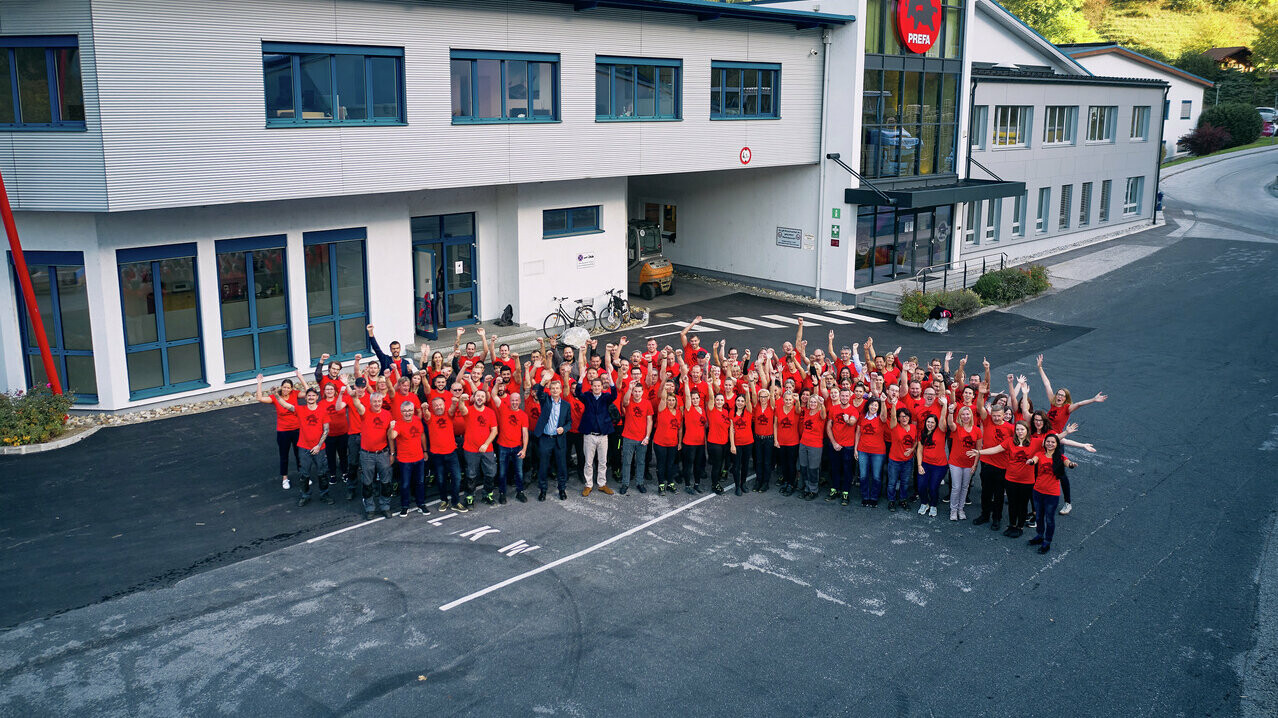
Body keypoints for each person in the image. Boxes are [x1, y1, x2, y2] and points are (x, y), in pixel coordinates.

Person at [1036, 354, 1105, 515]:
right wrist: (1039, 368)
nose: (1059, 396)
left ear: (1066, 398)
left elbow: (1079, 404)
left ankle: (1067, 503)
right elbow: (1047, 384)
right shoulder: (1053, 403)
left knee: (1060, 473)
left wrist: (1094, 400)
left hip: (1057, 442)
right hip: (1044, 439)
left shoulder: (1067, 408)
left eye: (1062, 395)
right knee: (1040, 467)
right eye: (1058, 394)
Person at [575, 347, 618, 496]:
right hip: (589, 435)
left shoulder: (606, 398)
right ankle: (588, 484)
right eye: (594, 386)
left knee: (603, 461)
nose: (597, 388)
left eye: (599, 386)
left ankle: (602, 484)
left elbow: (614, 393)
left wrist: (610, 377)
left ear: (601, 387)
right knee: (588, 462)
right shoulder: (587, 396)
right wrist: (581, 376)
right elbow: (577, 392)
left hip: (603, 435)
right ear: (592, 386)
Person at [1026, 434, 1078, 554]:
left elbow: (1067, 462)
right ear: (1044, 443)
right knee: (1039, 517)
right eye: (1048, 442)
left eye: (1053, 442)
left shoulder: (1059, 457)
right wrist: (1031, 461)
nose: (1050, 444)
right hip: (1038, 491)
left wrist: (1071, 465)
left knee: (1049, 519)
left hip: (1052, 494)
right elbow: (1034, 460)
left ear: (1056, 444)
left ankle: (1047, 542)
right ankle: (1039, 536)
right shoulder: (1039, 454)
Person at [350, 391, 395, 520]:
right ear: (370, 402)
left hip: (383, 454)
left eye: (379, 401)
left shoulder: (387, 414)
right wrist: (354, 397)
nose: (377, 403)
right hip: (367, 455)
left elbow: (390, 436)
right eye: (374, 401)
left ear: (382, 402)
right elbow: (358, 405)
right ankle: (370, 508)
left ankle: (385, 506)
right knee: (367, 483)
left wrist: (392, 453)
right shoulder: (365, 412)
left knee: (386, 482)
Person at [973, 400, 1012, 530]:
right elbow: (979, 407)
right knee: (986, 492)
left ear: (1003, 415)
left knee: (999, 494)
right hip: (986, 463)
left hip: (1002, 466)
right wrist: (980, 394)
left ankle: (997, 518)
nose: (996, 418)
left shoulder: (1011, 428)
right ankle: (984, 515)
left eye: (998, 416)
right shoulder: (987, 420)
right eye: (994, 415)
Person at [532, 375, 573, 500]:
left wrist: (564, 429)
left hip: (559, 439)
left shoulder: (566, 405)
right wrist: (543, 381)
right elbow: (539, 391)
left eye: (557, 388)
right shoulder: (545, 401)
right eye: (553, 388)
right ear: (550, 390)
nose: (555, 390)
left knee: (561, 466)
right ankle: (543, 490)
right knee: (543, 466)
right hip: (546, 439)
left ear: (561, 390)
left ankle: (562, 489)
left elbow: (569, 422)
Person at [255, 375, 300, 489]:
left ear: (291, 388)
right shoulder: (275, 397)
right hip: (283, 431)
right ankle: (285, 478)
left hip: (297, 429)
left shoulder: (295, 394)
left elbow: (310, 393)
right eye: (284, 387)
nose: (286, 390)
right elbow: (260, 398)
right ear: (281, 387)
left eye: (288, 388)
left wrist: (301, 377)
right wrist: (259, 383)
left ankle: (303, 475)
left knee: (299, 454)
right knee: (284, 455)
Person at [457, 389, 498, 507]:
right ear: (474, 398)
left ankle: (488, 495)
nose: (480, 398)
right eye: (478, 396)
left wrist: (485, 444)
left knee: (490, 473)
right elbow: (462, 409)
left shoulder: (490, 412)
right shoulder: (468, 410)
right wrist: (461, 400)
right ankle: (469, 497)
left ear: (485, 399)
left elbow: (494, 431)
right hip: (470, 449)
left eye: (482, 396)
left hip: (487, 449)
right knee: (471, 474)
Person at [426, 396, 467, 512]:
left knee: (457, 478)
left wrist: (454, 402)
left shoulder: (449, 414)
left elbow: (453, 408)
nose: (438, 407)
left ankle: (455, 501)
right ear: (432, 408)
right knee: (440, 479)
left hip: (451, 453)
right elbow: (426, 413)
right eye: (436, 406)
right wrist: (425, 408)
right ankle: (444, 500)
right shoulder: (430, 417)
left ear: (444, 405)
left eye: (440, 405)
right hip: (437, 454)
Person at [389, 401, 429, 516]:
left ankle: (421, 504)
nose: (407, 413)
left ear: (413, 411)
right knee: (405, 484)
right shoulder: (398, 423)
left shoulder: (417, 420)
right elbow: (392, 436)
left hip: (419, 457)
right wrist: (391, 428)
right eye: (405, 411)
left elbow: (422, 435)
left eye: (410, 410)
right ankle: (404, 506)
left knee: (420, 482)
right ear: (401, 412)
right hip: (405, 460)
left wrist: (425, 451)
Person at [493, 389, 529, 504]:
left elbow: (525, 433)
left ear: (520, 401)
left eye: (516, 400)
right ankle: (502, 493)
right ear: (509, 401)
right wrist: (497, 383)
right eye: (512, 400)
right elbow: (494, 394)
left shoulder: (523, 415)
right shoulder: (503, 408)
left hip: (517, 447)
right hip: (503, 447)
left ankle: (520, 492)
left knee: (519, 472)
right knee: (502, 472)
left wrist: (524, 449)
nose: (514, 402)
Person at [946, 404, 981, 521]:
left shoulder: (977, 430)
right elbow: (950, 424)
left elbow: (978, 449)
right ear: (960, 416)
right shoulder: (957, 427)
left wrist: (975, 465)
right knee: (956, 487)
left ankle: (961, 509)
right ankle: (953, 510)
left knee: (965, 487)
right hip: (955, 462)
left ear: (971, 415)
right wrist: (951, 412)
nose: (966, 416)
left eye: (968, 414)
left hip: (969, 464)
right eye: (963, 414)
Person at [619, 381, 654, 494]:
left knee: (640, 462)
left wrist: (647, 437)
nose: (637, 393)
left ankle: (640, 483)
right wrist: (629, 388)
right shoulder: (629, 401)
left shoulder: (647, 403)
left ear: (643, 392)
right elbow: (624, 402)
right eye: (635, 391)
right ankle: (625, 483)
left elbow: (650, 421)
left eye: (639, 391)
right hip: (628, 437)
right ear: (633, 392)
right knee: (627, 462)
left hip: (641, 438)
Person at [680, 363, 709, 494]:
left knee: (698, 465)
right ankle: (687, 485)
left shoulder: (702, 409)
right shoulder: (688, 408)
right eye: (693, 398)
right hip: (689, 443)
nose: (695, 400)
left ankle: (697, 484)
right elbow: (686, 395)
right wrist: (686, 384)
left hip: (700, 443)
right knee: (688, 465)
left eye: (697, 398)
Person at [827, 388, 859, 506]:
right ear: (839, 396)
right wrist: (834, 442)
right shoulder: (833, 409)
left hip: (848, 446)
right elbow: (828, 427)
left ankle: (845, 492)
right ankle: (834, 489)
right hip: (835, 444)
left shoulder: (854, 410)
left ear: (850, 396)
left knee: (847, 470)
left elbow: (852, 422)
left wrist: (847, 420)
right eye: (843, 396)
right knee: (834, 468)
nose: (844, 398)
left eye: (846, 396)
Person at [855, 397, 888, 508]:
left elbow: (884, 415)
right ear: (868, 405)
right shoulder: (862, 417)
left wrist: (883, 402)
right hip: (863, 450)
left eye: (876, 405)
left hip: (878, 451)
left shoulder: (880, 418)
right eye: (872, 404)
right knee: (863, 475)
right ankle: (865, 496)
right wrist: (856, 448)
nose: (873, 407)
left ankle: (874, 497)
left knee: (876, 476)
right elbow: (858, 433)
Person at [652, 381, 682, 496]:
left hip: (673, 443)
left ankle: (670, 483)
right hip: (660, 443)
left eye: (673, 400)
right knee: (661, 464)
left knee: (670, 464)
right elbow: (663, 398)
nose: (670, 402)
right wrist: (665, 386)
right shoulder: (662, 409)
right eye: (669, 400)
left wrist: (679, 442)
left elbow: (680, 429)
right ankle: (661, 484)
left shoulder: (678, 413)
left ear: (676, 402)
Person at [916, 413, 947, 518]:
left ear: (936, 424)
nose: (930, 424)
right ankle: (924, 503)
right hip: (925, 464)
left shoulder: (941, 431)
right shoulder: (922, 433)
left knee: (933, 487)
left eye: (932, 422)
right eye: (928, 422)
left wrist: (945, 405)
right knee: (921, 486)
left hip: (939, 466)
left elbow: (943, 418)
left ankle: (933, 505)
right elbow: (919, 450)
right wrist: (919, 465)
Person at [886, 407, 917, 512]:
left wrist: (912, 449)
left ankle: (903, 500)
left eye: (906, 416)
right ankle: (891, 500)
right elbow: (893, 417)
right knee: (892, 482)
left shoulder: (913, 427)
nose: (904, 418)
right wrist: (894, 405)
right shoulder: (895, 427)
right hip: (895, 460)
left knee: (905, 482)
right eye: (902, 416)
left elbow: (917, 440)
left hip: (908, 460)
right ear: (898, 418)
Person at [797, 393, 826, 501]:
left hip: (815, 445)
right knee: (803, 467)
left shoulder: (820, 413)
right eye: (811, 401)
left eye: (815, 402)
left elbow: (824, 415)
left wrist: (822, 405)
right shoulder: (807, 412)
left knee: (813, 469)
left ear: (818, 403)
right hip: (804, 443)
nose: (813, 403)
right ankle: (807, 488)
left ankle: (813, 490)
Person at [774, 389, 801, 496]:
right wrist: (776, 440)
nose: (788, 401)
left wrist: (797, 400)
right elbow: (775, 425)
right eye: (786, 399)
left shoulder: (795, 409)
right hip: (781, 441)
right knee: (783, 464)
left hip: (793, 442)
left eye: (790, 400)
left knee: (791, 464)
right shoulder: (779, 409)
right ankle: (785, 481)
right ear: (783, 399)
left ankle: (791, 484)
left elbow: (799, 410)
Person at [728, 391, 755, 496]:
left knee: (745, 465)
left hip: (748, 443)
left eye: (742, 401)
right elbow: (731, 430)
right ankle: (737, 486)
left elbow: (749, 400)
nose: (740, 403)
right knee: (736, 466)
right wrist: (732, 445)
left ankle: (743, 483)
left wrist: (747, 390)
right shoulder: (732, 413)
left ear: (745, 403)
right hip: (737, 444)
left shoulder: (748, 411)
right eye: (738, 400)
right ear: (735, 402)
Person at [706, 393, 731, 495]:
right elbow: (711, 397)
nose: (719, 402)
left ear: (724, 402)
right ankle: (714, 484)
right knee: (717, 465)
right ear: (714, 401)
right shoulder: (711, 410)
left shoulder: (725, 411)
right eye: (717, 400)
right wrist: (709, 384)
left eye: (721, 400)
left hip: (724, 442)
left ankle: (716, 479)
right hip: (714, 442)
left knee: (721, 464)